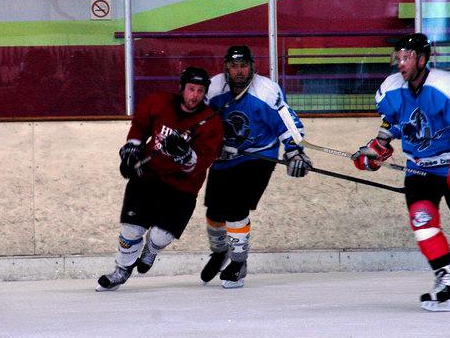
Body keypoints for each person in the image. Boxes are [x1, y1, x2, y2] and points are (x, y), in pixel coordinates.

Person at [351, 33, 450, 311]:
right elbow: (393, 123)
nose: (400, 63)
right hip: (419, 168)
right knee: (422, 218)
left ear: (422, 60)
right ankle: (445, 281)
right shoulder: (391, 88)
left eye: (406, 57)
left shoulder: (447, 86)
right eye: (398, 57)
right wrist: (378, 147)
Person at [96, 66, 223, 291]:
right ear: (182, 88)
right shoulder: (159, 102)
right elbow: (139, 127)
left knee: (160, 236)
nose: (195, 95)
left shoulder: (211, 122)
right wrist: (131, 152)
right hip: (148, 177)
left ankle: (151, 249)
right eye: (191, 89)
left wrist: (186, 155)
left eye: (200, 91)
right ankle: (121, 270)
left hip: (182, 187)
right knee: (131, 229)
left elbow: (203, 162)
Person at [200, 45, 312, 289]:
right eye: (234, 66)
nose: (239, 71)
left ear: (252, 67)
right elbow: (198, 121)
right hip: (224, 158)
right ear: (226, 67)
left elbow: (288, 123)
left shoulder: (267, 91)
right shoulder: (214, 88)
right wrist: (209, 144)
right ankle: (220, 252)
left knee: (236, 209)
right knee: (214, 214)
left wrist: (294, 151)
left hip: (259, 157)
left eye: (243, 66)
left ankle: (238, 263)